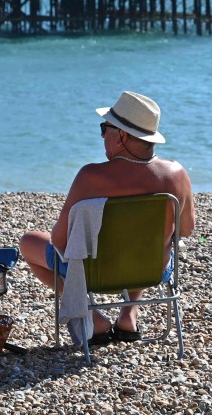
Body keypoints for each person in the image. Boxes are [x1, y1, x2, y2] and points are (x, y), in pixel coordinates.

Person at [20, 91, 195, 345]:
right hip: (150, 270)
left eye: (105, 128)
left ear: (122, 135)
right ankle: (129, 315)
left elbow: (61, 241)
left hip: (95, 274)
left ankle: (92, 315)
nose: (102, 135)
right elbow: (187, 229)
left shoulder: (91, 177)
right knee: (146, 240)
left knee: (28, 242)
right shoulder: (177, 174)